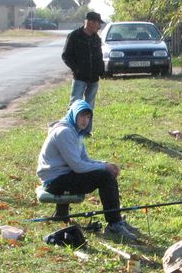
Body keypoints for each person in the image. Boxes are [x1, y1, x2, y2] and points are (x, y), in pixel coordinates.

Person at [36, 100, 140, 240]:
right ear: (73, 115)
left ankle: (115, 221)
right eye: (81, 116)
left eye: (88, 117)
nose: (85, 120)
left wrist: (105, 163)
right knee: (105, 177)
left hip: (63, 176)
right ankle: (114, 224)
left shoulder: (75, 131)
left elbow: (85, 160)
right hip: (54, 181)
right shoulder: (64, 132)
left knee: (105, 173)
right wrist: (104, 168)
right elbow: (78, 166)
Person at [62, 11, 106, 110]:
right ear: (90, 23)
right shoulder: (74, 36)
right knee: (74, 105)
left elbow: (99, 56)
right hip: (80, 78)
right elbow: (66, 56)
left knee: (89, 107)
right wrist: (76, 68)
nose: (98, 26)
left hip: (94, 78)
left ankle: (87, 126)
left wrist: (101, 71)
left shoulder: (97, 39)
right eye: (98, 24)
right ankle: (71, 126)